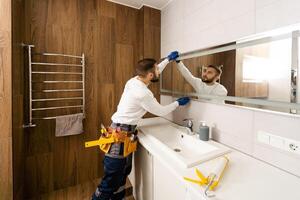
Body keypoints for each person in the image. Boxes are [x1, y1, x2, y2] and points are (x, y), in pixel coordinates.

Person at [92, 51, 190, 200]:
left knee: (121, 176)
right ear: (150, 75)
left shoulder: (134, 81)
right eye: (157, 69)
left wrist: (167, 61)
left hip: (122, 132)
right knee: (110, 181)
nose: (158, 71)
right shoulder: (143, 94)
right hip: (119, 137)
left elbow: (154, 72)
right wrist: (178, 103)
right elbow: (162, 111)